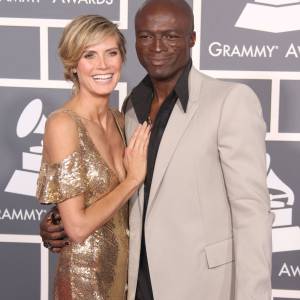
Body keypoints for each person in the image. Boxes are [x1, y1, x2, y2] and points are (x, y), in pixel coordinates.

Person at [40, 1, 273, 299]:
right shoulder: (130, 111)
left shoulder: (230, 101)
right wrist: (59, 218)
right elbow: (112, 190)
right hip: (132, 281)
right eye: (147, 36)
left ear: (192, 39)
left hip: (202, 284)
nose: (157, 46)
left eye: (171, 36)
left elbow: (252, 212)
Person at [36, 15, 150, 300]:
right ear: (73, 64)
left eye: (111, 53)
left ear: (122, 60)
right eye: (90, 55)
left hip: (125, 280)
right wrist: (132, 179)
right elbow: (76, 228)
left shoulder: (121, 120)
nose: (103, 65)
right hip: (84, 285)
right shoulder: (63, 124)